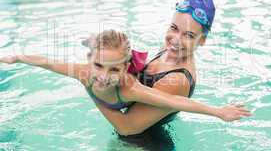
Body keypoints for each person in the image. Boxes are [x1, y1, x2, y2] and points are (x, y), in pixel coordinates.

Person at [0, 30, 251, 134]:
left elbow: (174, 100)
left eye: (115, 69)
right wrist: (16, 58)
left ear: (125, 67)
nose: (104, 76)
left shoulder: (130, 87)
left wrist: (218, 112)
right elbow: (46, 61)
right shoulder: (82, 71)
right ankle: (92, 40)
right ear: (90, 61)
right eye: (98, 65)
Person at [88, 0, 252, 136]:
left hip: (141, 144)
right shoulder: (170, 50)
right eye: (174, 28)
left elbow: (127, 128)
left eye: (188, 35)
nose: (175, 40)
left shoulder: (177, 80)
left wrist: (90, 86)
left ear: (201, 40)